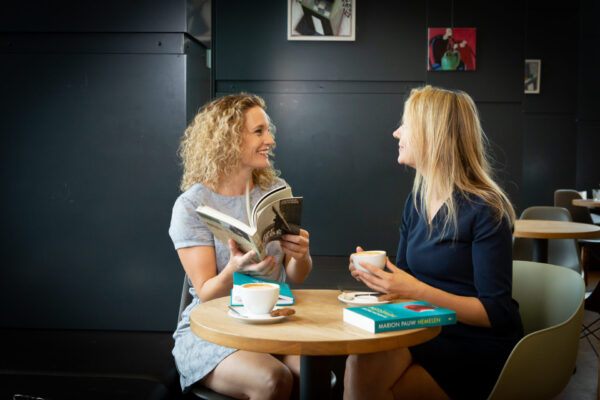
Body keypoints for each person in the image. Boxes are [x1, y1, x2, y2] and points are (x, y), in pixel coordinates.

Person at [344, 86, 523, 400]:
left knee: (379, 384)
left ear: (433, 134)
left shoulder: (486, 209)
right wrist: (379, 277)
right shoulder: (416, 200)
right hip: (424, 328)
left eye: (406, 125)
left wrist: (415, 290)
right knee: (361, 361)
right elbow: (407, 279)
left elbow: (495, 313)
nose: (396, 132)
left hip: (476, 343)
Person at [168, 93, 312, 399]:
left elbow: (294, 276)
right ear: (228, 139)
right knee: (273, 379)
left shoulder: (276, 191)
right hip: (214, 328)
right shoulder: (191, 205)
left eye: (268, 131)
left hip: (273, 319)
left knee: (312, 373)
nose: (270, 140)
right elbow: (206, 293)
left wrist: (301, 255)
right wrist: (234, 269)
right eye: (259, 131)